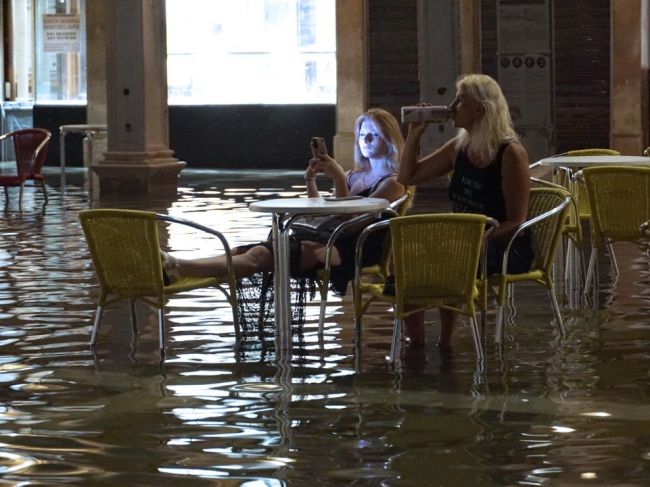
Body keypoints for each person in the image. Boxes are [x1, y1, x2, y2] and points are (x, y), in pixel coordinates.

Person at [161, 108, 406, 296]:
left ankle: (180, 268)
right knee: (247, 250)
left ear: (390, 139)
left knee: (259, 255)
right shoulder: (355, 176)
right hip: (328, 238)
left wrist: (338, 176)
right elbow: (324, 213)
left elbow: (350, 222)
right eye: (362, 135)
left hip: (352, 249)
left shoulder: (392, 182)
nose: (367, 140)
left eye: (374, 135)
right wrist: (310, 181)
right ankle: (178, 265)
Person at [397, 73, 532, 350]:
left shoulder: (510, 153)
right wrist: (413, 135)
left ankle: (445, 344)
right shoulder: (459, 147)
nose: (451, 107)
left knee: (446, 259)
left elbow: (517, 221)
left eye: (460, 101)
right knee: (413, 261)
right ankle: (416, 345)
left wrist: (474, 241)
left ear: (480, 109)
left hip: (504, 245)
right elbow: (408, 176)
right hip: (461, 243)